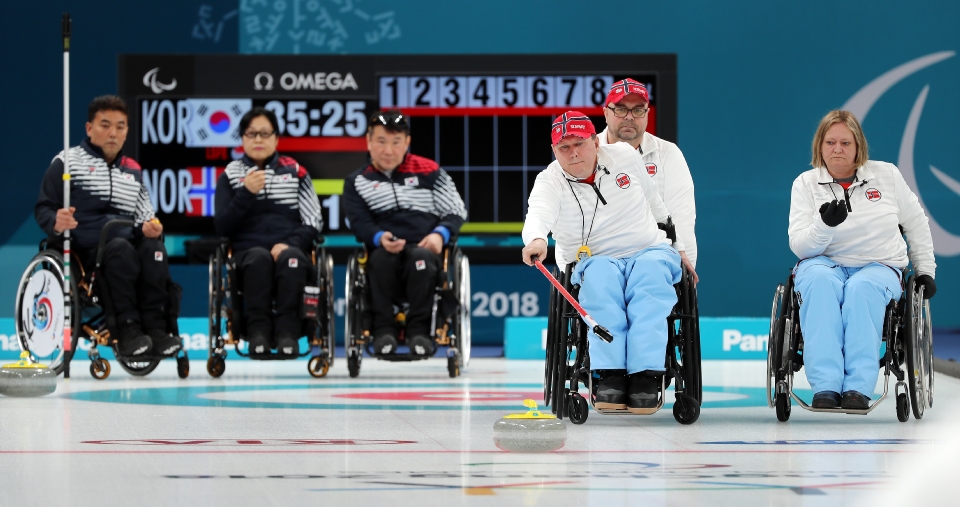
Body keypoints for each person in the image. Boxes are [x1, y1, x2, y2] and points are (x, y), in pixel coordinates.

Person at [521, 111, 681, 413]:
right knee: (599, 283)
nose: (573, 153)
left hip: (647, 249)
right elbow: (538, 212)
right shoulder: (550, 180)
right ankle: (610, 375)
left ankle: (646, 374)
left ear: (596, 142)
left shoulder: (623, 155)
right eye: (563, 148)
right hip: (594, 259)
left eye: (579, 143)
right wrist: (537, 239)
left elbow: (651, 195)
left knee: (650, 281)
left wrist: (666, 226)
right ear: (554, 151)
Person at [789, 110, 936, 410]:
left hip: (878, 266)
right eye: (830, 142)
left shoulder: (887, 176)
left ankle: (857, 387)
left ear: (858, 147)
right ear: (820, 147)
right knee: (818, 283)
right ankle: (826, 386)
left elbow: (917, 223)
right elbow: (801, 246)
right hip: (823, 264)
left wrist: (925, 270)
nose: (837, 149)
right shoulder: (804, 184)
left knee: (861, 289)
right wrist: (824, 226)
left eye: (845, 142)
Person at [35, 95, 180, 357]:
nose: (113, 132)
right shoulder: (67, 163)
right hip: (85, 251)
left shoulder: (133, 170)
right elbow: (43, 208)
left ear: (126, 131)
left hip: (125, 246)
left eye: (120, 126)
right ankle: (127, 330)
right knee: (121, 249)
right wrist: (56, 220)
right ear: (89, 128)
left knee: (153, 250)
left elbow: (147, 215)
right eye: (105, 125)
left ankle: (156, 329)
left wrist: (151, 227)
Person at [343, 110, 467, 356]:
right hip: (383, 249)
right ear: (368, 142)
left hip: (424, 247)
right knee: (378, 261)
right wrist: (379, 238)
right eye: (381, 141)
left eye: (396, 142)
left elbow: (456, 210)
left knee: (420, 258)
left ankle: (419, 333)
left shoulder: (430, 171)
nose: (388, 150)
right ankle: (383, 332)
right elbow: (359, 222)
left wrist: (439, 235)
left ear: (407, 143)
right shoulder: (357, 181)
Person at [214, 107, 324, 356]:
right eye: (251, 134)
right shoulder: (231, 175)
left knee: (292, 260)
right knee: (258, 259)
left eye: (265, 133)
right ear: (242, 139)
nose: (258, 140)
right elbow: (222, 226)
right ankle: (258, 333)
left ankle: (288, 333)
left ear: (276, 138)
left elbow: (314, 219)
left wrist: (289, 243)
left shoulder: (296, 172)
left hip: (291, 248)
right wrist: (246, 193)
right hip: (247, 252)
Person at [598, 78, 698, 284]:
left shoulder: (668, 154)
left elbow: (682, 217)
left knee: (650, 274)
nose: (629, 117)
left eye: (638, 110)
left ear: (647, 114)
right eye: (620, 109)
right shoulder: (586, 154)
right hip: (601, 256)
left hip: (652, 259)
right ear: (606, 112)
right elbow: (571, 217)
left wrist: (684, 267)